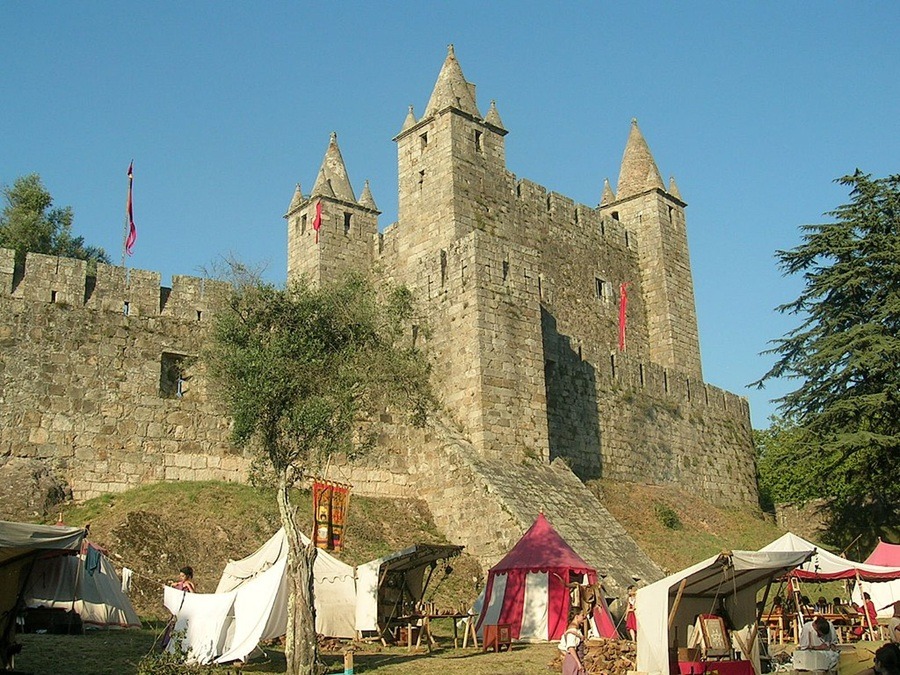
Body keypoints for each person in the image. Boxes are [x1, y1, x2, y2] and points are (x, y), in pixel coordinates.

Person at [559, 609, 587, 675]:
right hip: (574, 662)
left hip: (574, 660)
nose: (584, 617)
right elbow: (571, 648)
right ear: (576, 617)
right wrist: (578, 663)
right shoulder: (572, 630)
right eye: (582, 615)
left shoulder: (575, 629)